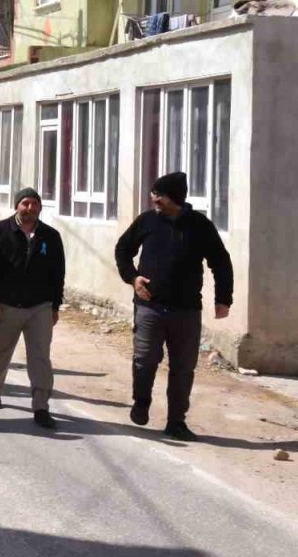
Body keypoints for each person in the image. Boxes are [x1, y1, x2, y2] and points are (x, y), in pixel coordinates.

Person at [115, 172, 233, 442]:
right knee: (145, 360)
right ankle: (142, 401)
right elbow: (123, 249)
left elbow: (220, 261)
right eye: (153, 194)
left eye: (159, 194)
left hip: (186, 310)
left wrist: (223, 298)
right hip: (149, 305)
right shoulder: (147, 221)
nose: (154, 198)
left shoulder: (199, 226)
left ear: (175, 197)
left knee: (183, 368)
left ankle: (176, 421)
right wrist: (133, 278)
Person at [0, 188, 66, 430]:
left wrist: (55, 305)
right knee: (0, 350)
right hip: (6, 304)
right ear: (17, 206)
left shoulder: (50, 236)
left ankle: (41, 406)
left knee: (40, 357)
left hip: (40, 306)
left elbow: (58, 273)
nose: (30, 208)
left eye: (34, 204)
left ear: (40, 207)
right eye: (25, 203)